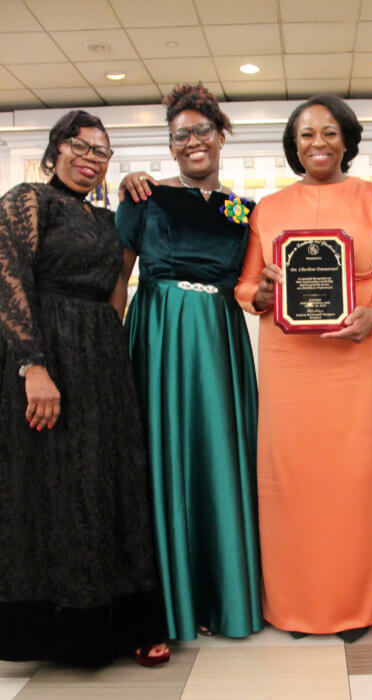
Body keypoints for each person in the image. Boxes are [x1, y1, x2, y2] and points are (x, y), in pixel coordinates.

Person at [235, 95, 372, 643]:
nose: (318, 144)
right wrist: (261, 292)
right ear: (293, 144)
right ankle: (294, 604)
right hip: (290, 366)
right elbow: (244, 285)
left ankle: (356, 605)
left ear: (348, 141)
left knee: (356, 480)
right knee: (291, 482)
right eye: (307, 134)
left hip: (355, 359)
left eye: (330, 133)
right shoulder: (266, 208)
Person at [0, 110, 168, 667]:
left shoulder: (103, 218)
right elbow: (9, 278)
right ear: (57, 148)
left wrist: (112, 346)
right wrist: (33, 366)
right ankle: (63, 632)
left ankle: (125, 622)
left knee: (111, 484)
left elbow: (117, 285)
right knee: (54, 488)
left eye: (102, 151)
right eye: (81, 146)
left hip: (102, 361)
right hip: (47, 356)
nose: (90, 157)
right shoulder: (27, 199)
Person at [114, 83, 263, 641]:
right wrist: (113, 349)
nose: (194, 141)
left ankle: (223, 598)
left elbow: (248, 285)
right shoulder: (143, 196)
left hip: (220, 336)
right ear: (171, 146)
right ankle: (166, 606)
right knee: (162, 458)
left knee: (217, 458)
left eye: (203, 130)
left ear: (221, 136)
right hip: (159, 333)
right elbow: (117, 280)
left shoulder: (241, 210)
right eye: (182, 135)